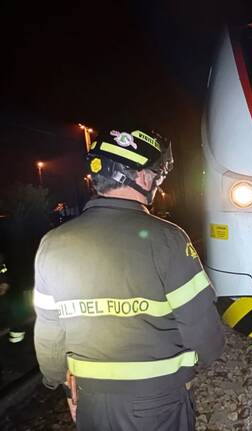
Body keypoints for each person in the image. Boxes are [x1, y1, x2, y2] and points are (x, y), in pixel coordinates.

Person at [33, 127, 225, 430]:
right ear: (139, 176)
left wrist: (58, 381)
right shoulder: (168, 239)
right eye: (154, 173)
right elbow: (202, 328)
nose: (156, 181)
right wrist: (198, 364)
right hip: (157, 402)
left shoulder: (52, 243)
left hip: (90, 401)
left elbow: (48, 331)